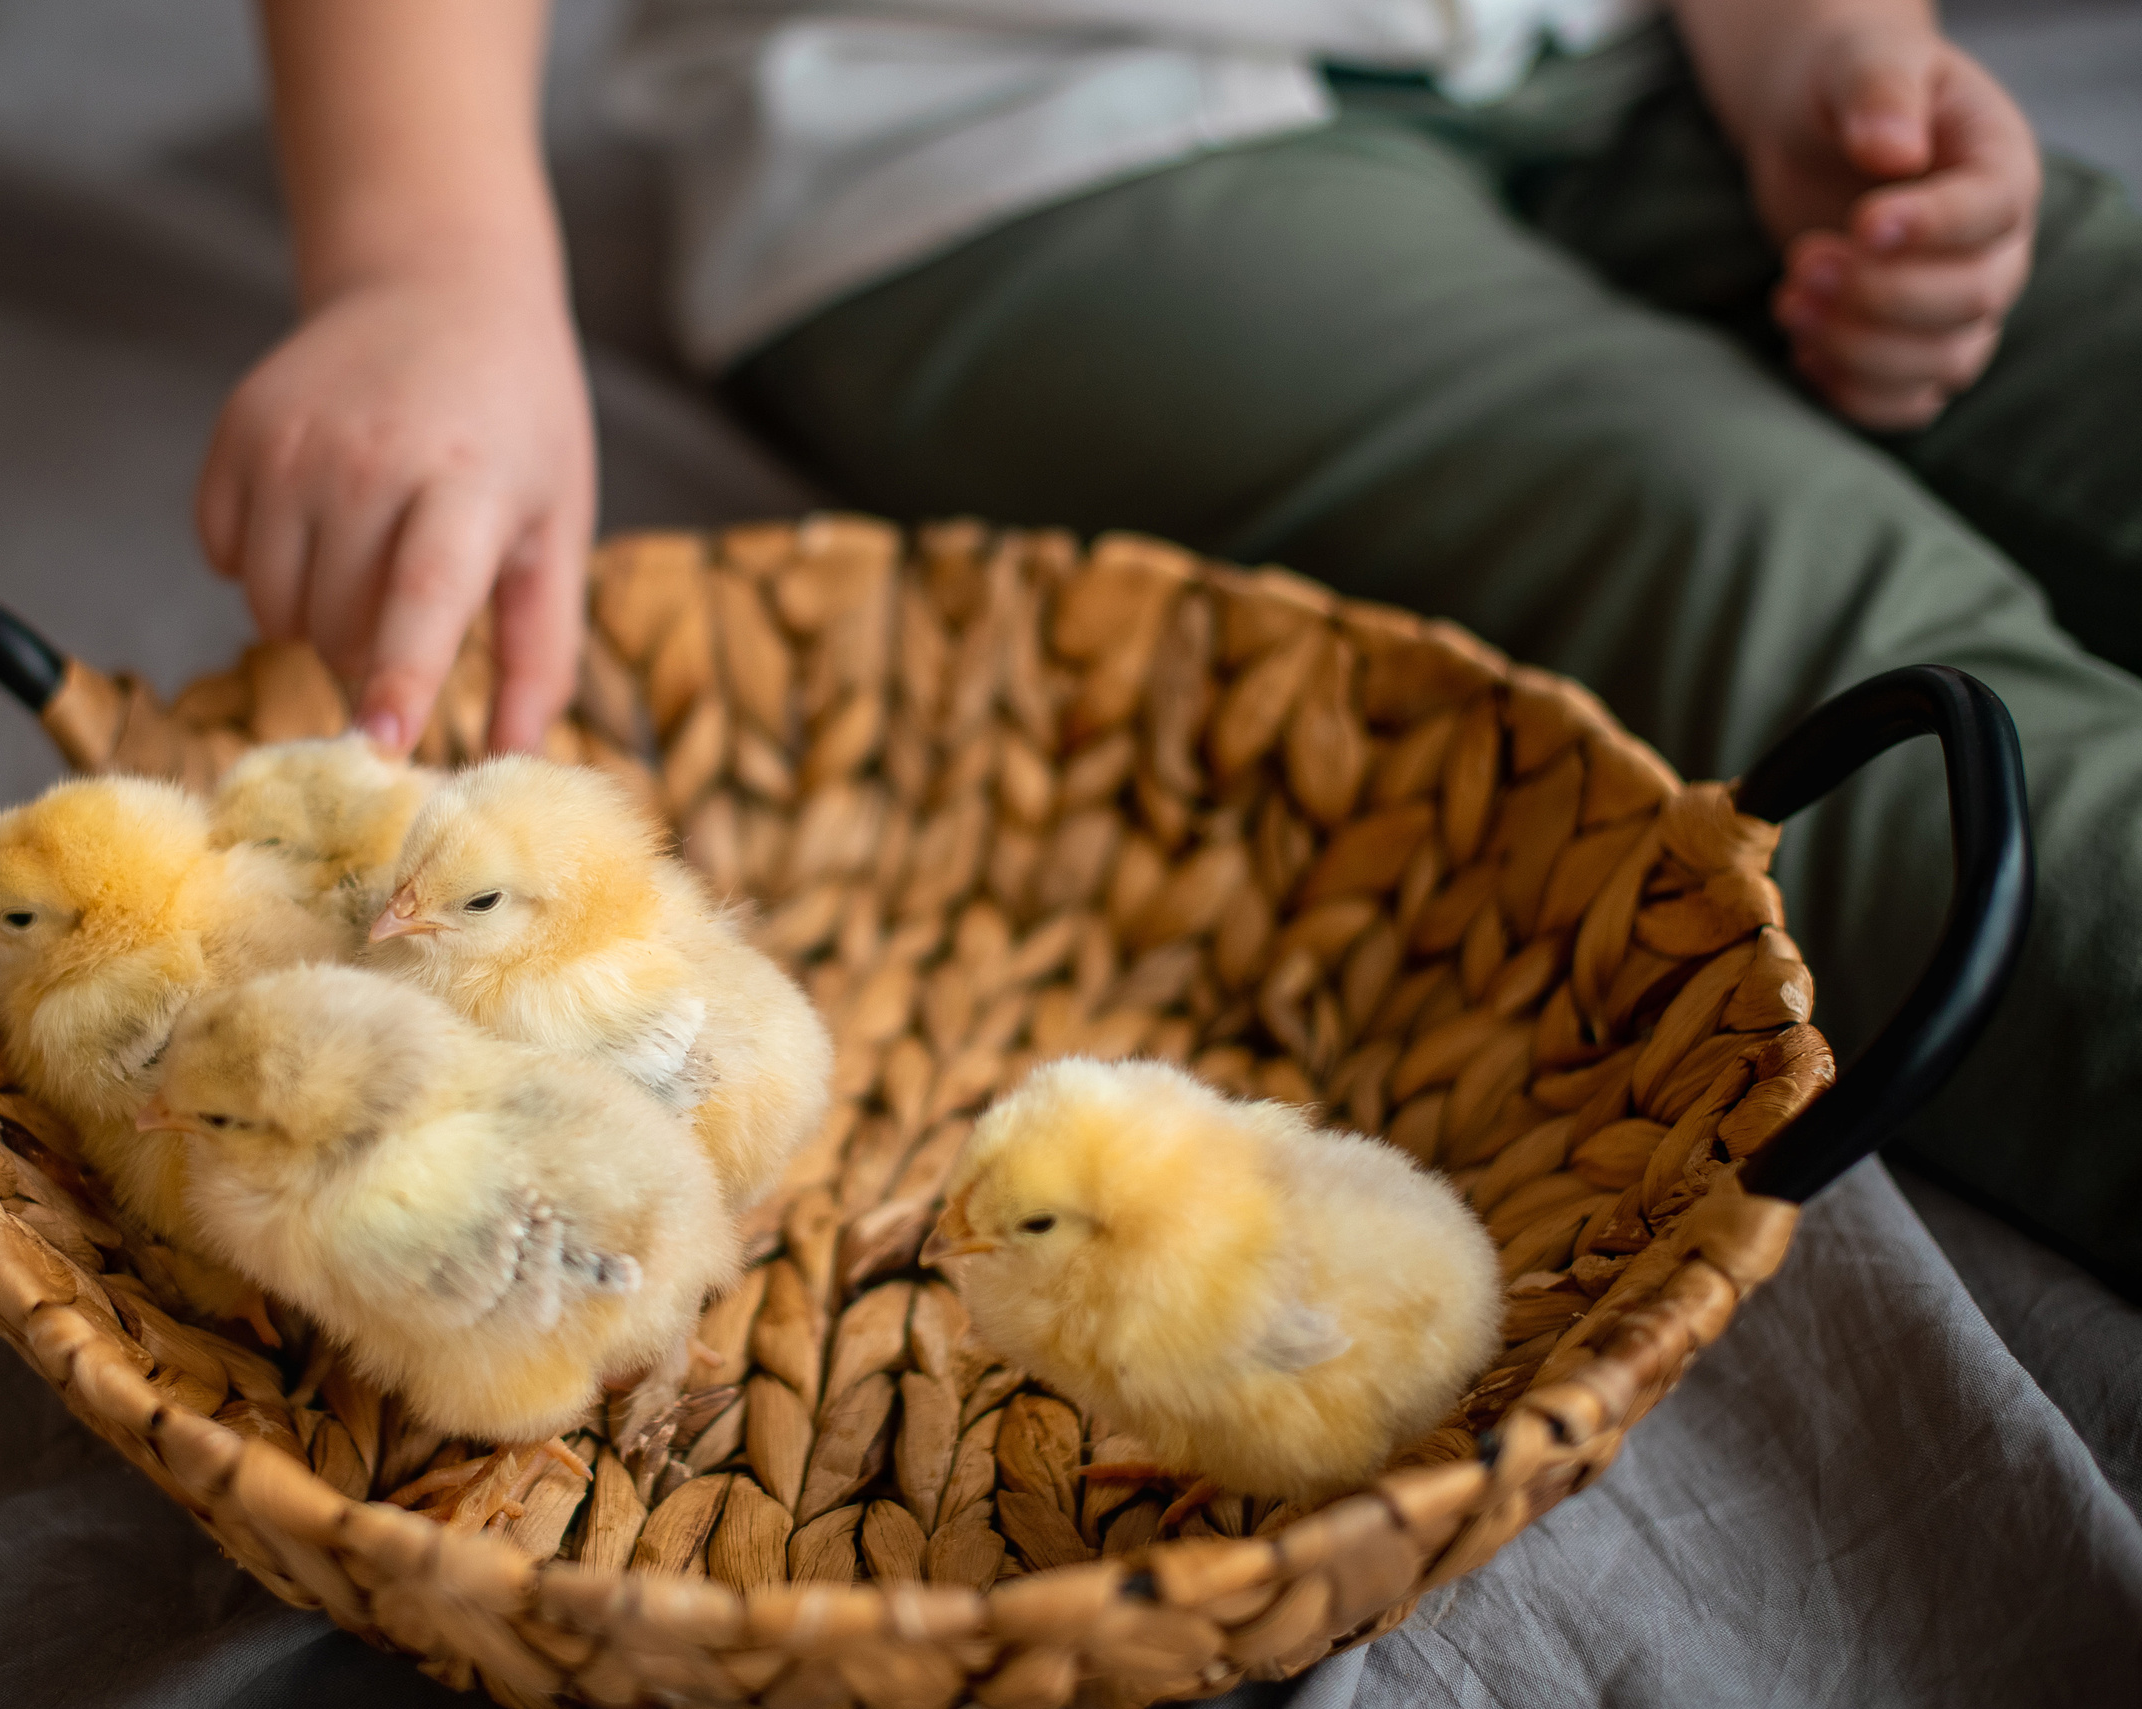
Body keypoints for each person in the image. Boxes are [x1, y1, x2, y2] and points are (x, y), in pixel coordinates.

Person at [194, 0, 2141, 1291]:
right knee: (1798, 600)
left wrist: (1828, 37)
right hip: (1015, 118)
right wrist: (422, 258)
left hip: (1635, 49)